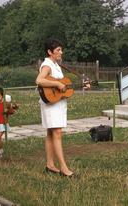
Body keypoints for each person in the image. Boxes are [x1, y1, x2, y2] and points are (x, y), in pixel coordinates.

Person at [35, 38, 90, 178]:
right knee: (57, 133)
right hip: (51, 105)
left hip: (56, 103)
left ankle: (50, 165)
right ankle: (64, 169)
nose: (61, 52)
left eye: (61, 49)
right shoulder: (47, 65)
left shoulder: (56, 65)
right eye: (58, 50)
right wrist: (57, 85)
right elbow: (39, 80)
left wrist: (83, 85)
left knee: (50, 133)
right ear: (49, 52)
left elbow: (64, 86)